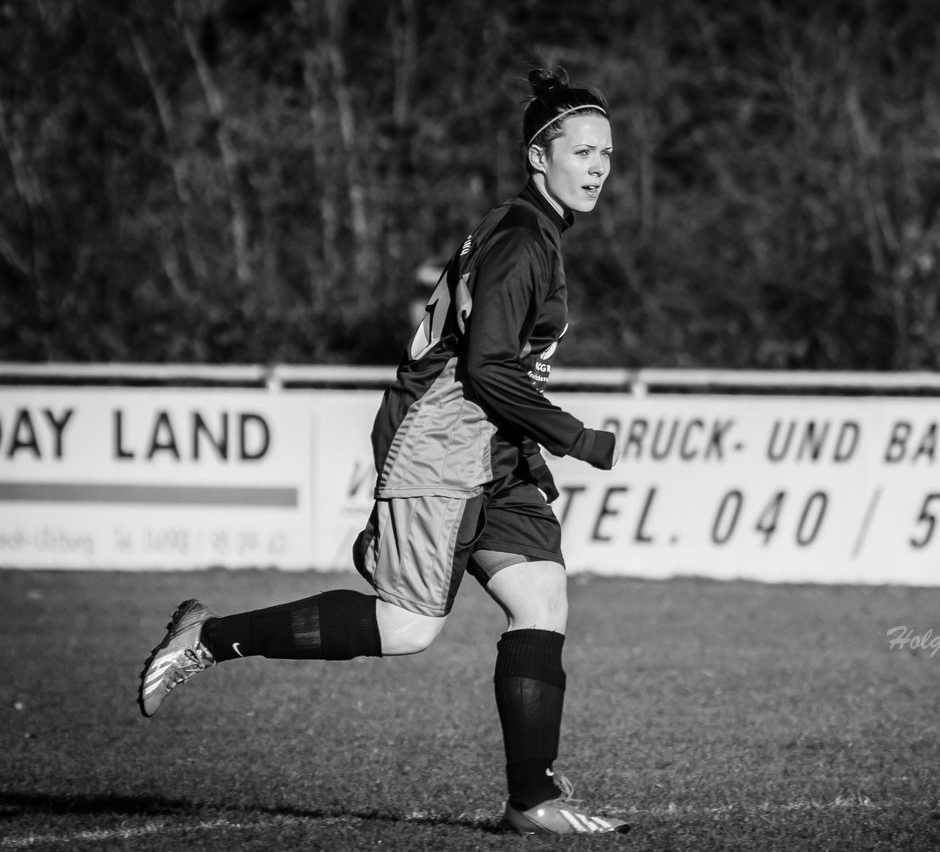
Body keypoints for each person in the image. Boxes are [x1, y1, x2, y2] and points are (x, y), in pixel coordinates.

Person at [137, 66, 629, 836]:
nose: (599, 166)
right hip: (442, 444)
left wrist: (530, 446)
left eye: (607, 153)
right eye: (583, 151)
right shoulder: (521, 241)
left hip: (492, 450)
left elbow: (492, 368)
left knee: (541, 601)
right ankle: (207, 639)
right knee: (405, 628)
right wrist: (575, 437)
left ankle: (531, 801)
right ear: (540, 159)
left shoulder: (531, 233)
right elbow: (487, 367)